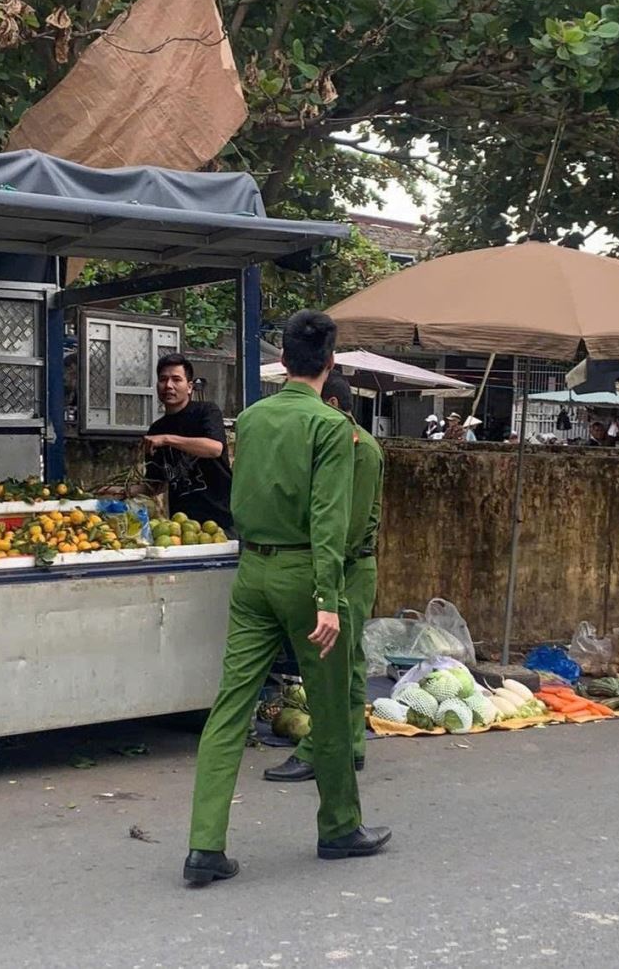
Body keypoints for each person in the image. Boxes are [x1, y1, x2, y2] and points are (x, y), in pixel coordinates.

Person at [183, 310, 390, 886]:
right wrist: (328, 596)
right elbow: (329, 519)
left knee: (229, 708)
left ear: (283, 363)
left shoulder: (249, 418)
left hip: (252, 570)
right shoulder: (330, 428)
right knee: (329, 706)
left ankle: (204, 846)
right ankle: (340, 827)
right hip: (307, 576)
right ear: (330, 362)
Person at [264, 371, 384, 785]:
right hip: (337, 564)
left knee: (337, 662)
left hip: (348, 566)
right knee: (343, 662)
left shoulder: (360, 450)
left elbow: (347, 526)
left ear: (331, 407)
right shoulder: (342, 445)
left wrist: (320, 570)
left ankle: (325, 749)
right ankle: (347, 746)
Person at [144, 353, 232, 533]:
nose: (168, 385)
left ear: (189, 387)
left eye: (176, 379)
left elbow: (215, 448)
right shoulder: (156, 430)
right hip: (182, 528)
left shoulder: (206, 412)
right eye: (163, 379)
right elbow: (155, 484)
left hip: (222, 523)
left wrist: (167, 439)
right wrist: (115, 491)